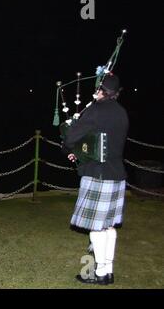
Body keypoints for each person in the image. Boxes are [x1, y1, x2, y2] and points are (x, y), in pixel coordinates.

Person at [62, 73, 129, 285]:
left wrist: (69, 140)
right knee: (109, 227)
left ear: (101, 91)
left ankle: (100, 273)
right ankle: (108, 270)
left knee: (97, 228)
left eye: (97, 89)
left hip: (98, 175)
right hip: (117, 175)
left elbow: (71, 136)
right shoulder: (122, 113)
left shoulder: (95, 110)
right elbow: (99, 139)